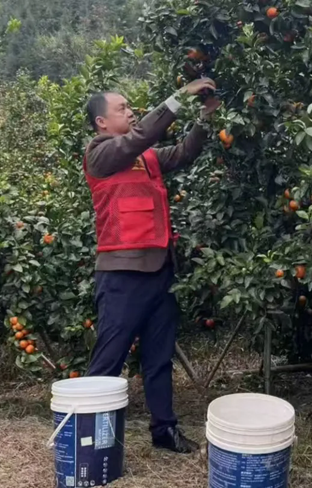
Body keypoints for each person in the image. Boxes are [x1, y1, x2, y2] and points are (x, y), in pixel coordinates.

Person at [83, 78, 219, 453]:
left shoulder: (146, 158)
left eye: (130, 107)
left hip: (160, 268)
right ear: (101, 123)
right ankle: (89, 438)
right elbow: (140, 136)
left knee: (159, 356)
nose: (131, 112)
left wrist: (205, 118)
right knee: (109, 357)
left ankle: (164, 430)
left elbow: (184, 152)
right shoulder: (100, 155)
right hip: (122, 275)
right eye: (122, 109)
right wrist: (180, 96)